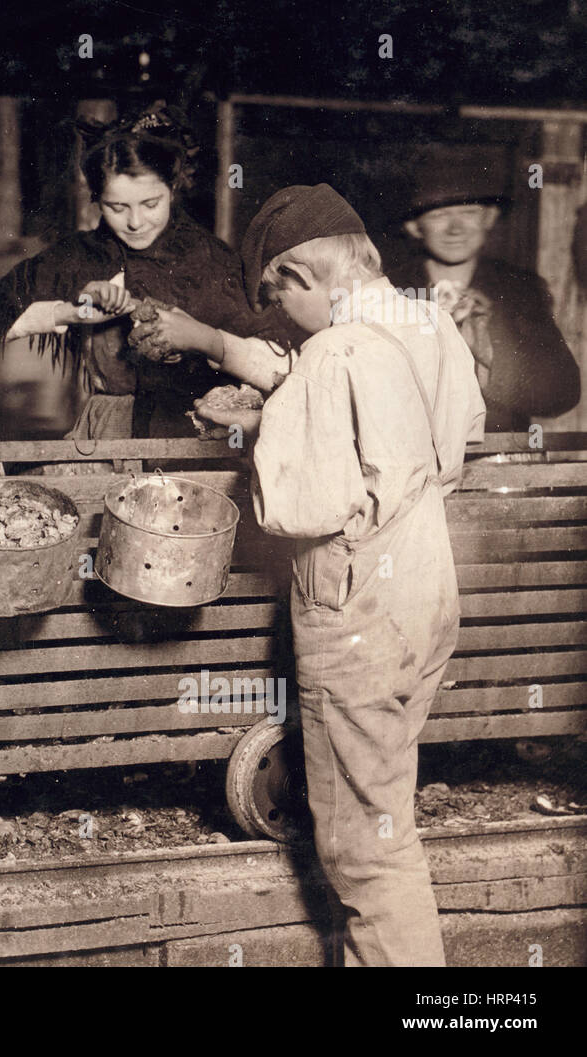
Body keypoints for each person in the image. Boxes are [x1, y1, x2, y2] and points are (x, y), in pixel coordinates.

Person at [199, 184, 486, 967]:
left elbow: (302, 507)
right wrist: (281, 418)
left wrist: (266, 433)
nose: (285, 316)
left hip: (354, 599)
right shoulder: (428, 320)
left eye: (278, 297)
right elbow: (449, 439)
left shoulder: (330, 353)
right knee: (386, 807)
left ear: (300, 275)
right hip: (426, 583)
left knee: (365, 848)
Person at [0, 103, 301, 439]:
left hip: (200, 429)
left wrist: (202, 340)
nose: (134, 222)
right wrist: (69, 312)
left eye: (150, 204)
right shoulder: (76, 255)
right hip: (108, 429)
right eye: (116, 207)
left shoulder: (211, 258)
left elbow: (276, 364)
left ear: (173, 190)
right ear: (97, 198)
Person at [387, 159, 580, 432]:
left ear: (489, 218)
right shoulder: (389, 290)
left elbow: (561, 394)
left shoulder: (520, 290)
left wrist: (491, 360)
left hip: (499, 454)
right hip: (412, 453)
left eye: (468, 212)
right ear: (414, 227)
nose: (455, 228)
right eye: (439, 215)